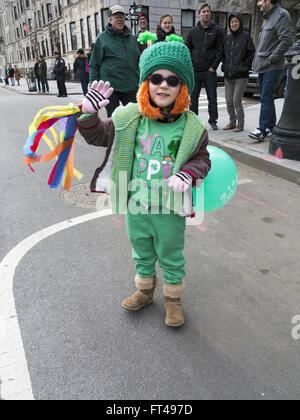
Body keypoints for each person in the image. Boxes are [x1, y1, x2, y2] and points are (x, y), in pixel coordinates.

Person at [77, 39, 211, 327]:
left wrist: (188, 173)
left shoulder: (192, 127)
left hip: (169, 209)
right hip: (136, 204)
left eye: (172, 80)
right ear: (145, 83)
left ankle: (173, 300)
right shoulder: (128, 118)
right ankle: (145, 290)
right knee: (141, 251)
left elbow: (202, 160)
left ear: (182, 87)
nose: (163, 85)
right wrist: (88, 114)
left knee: (171, 256)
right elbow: (98, 135)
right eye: (156, 78)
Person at [249, 0, 293, 142]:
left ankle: (261, 130)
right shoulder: (268, 17)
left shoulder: (282, 15)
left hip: (272, 66)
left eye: (261, 0)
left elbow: (286, 40)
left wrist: (271, 59)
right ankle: (272, 127)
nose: (258, 3)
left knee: (266, 98)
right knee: (266, 97)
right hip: (263, 66)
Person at [89, 4, 140, 117]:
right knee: (113, 119)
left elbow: (138, 62)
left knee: (135, 117)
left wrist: (140, 81)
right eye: (116, 16)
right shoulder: (102, 38)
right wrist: (94, 84)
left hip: (130, 85)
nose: (120, 19)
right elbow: (94, 64)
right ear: (110, 20)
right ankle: (113, 135)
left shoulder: (132, 39)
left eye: (122, 16)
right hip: (110, 87)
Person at [186, 2, 224, 130]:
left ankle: (213, 121)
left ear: (210, 13)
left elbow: (220, 50)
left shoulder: (217, 30)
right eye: (203, 11)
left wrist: (213, 66)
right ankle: (194, 122)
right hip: (195, 71)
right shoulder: (193, 31)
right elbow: (187, 49)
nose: (206, 13)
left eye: (208, 11)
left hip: (209, 70)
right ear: (199, 14)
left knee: (212, 98)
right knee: (193, 98)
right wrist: (190, 66)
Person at [222, 13, 255, 132]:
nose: (234, 24)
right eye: (232, 22)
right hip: (229, 75)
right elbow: (223, 54)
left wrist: (244, 67)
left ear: (240, 22)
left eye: (236, 21)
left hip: (241, 76)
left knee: (236, 100)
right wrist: (224, 66)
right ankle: (232, 122)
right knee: (229, 101)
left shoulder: (245, 36)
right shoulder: (227, 37)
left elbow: (251, 53)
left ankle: (240, 124)